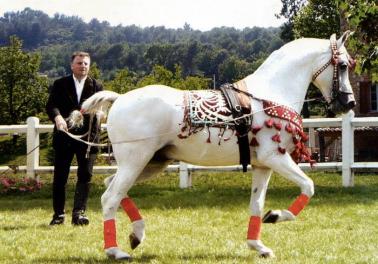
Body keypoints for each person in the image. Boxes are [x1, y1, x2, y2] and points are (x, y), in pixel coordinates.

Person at [46, 51, 103, 226]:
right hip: (65, 137)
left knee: (85, 175)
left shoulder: (97, 86)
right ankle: (58, 215)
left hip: (88, 139)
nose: (83, 66)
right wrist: (58, 118)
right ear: (72, 65)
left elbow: (101, 107)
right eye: (79, 63)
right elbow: (51, 105)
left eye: (86, 63)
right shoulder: (60, 84)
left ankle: (79, 214)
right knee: (60, 177)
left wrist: (100, 114)